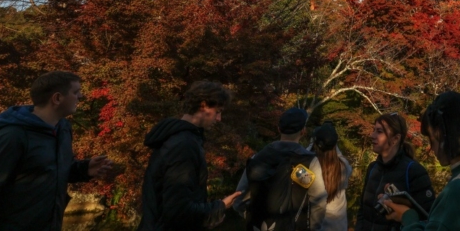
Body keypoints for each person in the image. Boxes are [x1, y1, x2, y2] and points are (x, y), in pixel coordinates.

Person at [0, 71, 113, 231]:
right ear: (57, 98)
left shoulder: (63, 129)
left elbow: (52, 169)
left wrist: (84, 169)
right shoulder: (13, 136)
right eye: (75, 92)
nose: (80, 96)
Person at [381, 91, 460, 231]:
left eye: (431, 138)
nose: (432, 148)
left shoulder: (459, 189)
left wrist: (409, 217)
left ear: (442, 133)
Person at [139, 81, 242, 230]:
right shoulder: (184, 144)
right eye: (218, 111)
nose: (219, 118)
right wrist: (219, 207)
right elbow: (178, 209)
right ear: (203, 105)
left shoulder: (174, 138)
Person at [234, 107, 328, 231]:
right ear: (303, 131)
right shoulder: (309, 162)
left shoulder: (258, 158)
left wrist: (251, 216)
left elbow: (238, 200)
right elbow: (319, 203)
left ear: (279, 129)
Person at [355, 112, 435, 231]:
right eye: (374, 130)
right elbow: (362, 210)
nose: (372, 135)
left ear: (395, 139)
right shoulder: (372, 168)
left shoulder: (414, 171)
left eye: (379, 131)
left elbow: (428, 218)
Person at [313, 122, 353, 231]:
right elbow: (339, 155)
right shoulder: (344, 167)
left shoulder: (311, 167)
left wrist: (312, 142)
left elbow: (305, 153)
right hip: (338, 227)